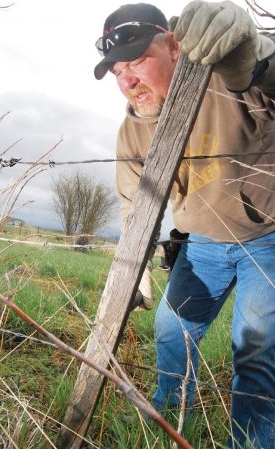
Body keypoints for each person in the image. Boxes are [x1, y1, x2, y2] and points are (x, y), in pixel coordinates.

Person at [94, 2, 275, 448]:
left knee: (255, 349)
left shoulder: (228, 74)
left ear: (173, 45)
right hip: (202, 246)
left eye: (136, 61)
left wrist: (256, 59)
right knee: (172, 332)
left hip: (267, 238)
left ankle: (252, 442)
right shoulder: (131, 132)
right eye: (118, 70)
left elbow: (269, 83)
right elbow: (132, 204)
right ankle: (169, 427)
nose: (128, 80)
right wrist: (133, 271)